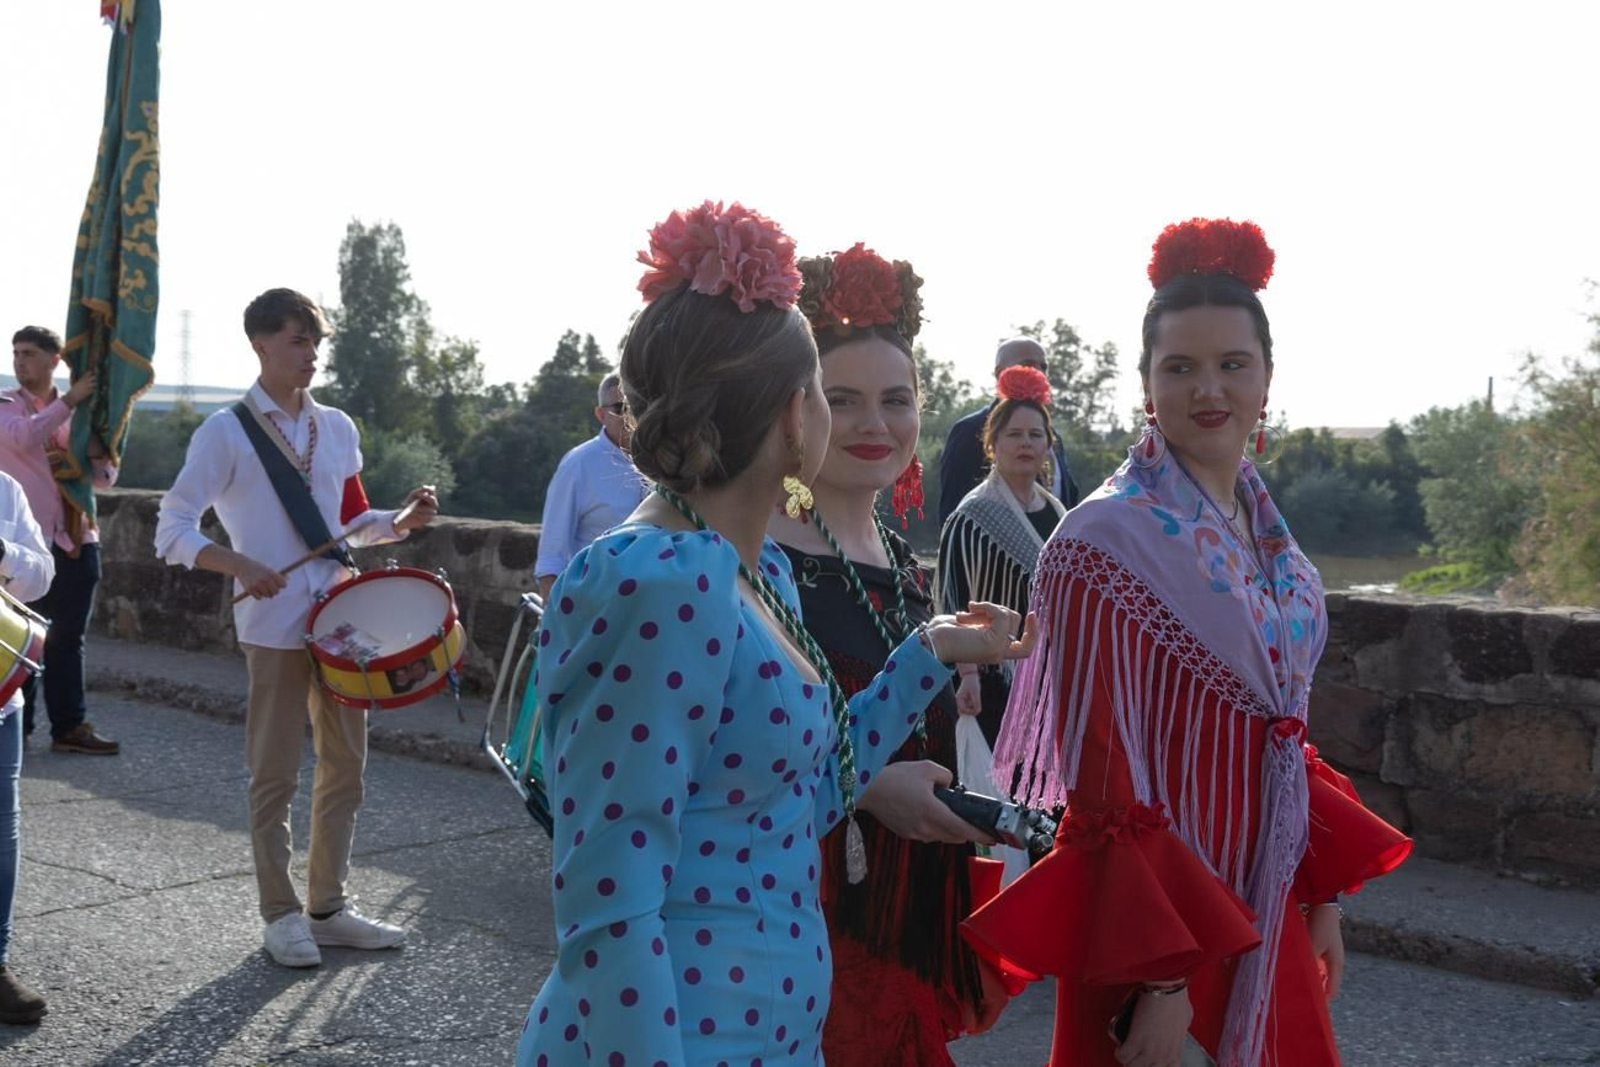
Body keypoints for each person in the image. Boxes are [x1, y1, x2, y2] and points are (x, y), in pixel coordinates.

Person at [515, 201, 1036, 1066]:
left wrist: (929, 650)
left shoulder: (752, 570)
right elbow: (611, 901)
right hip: (683, 1036)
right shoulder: (658, 580)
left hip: (767, 1030)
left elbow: (807, 795)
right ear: (797, 415)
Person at [963, 218, 1412, 1067]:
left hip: (1266, 895)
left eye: (1232, 364)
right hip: (1166, 923)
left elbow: (1282, 733)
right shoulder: (1105, 541)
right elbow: (1101, 776)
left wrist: (1321, 896)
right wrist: (1161, 982)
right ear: (1147, 386)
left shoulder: (1265, 528)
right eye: (1181, 367)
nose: (1210, 388)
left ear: (1268, 378)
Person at [771, 242, 1014, 1063]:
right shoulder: (759, 555)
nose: (875, 424)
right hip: (812, 927)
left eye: (896, 399)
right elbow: (713, 753)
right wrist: (869, 788)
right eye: (843, 398)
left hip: (902, 921)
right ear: (795, 408)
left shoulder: (892, 550)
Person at [154, 289, 438, 969]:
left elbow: (352, 524)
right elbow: (171, 527)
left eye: (315, 342)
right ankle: (279, 913)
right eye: (296, 341)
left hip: (342, 621)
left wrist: (401, 524)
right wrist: (238, 562)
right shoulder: (224, 432)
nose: (310, 355)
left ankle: (328, 907)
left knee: (347, 768)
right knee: (274, 772)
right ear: (259, 343)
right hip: (274, 624)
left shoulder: (337, 426)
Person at [1, 326, 119, 755]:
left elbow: (104, 480)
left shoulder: (80, 415)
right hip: (25, 544)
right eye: (16, 353)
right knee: (22, 634)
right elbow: (22, 437)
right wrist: (70, 400)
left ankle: (69, 727)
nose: (19, 361)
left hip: (76, 534)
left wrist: (101, 457)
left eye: (29, 353)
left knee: (69, 638)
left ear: (55, 360)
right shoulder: (6, 404)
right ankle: (18, 725)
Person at [937, 366, 1069, 748]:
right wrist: (968, 675)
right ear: (992, 443)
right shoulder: (973, 516)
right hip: (994, 677)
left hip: (1047, 676)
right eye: (1013, 434)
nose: (1025, 443)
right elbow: (957, 599)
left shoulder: (1057, 513)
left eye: (1035, 434)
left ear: (1048, 445)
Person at [0, 464, 55, 1024]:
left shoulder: (5, 489)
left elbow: (42, 574)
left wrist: (2, 554)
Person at [937, 337, 1078, 524]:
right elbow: (952, 513)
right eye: (1026, 365)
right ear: (999, 373)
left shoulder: (1051, 436)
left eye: (1043, 367)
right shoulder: (969, 430)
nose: (1038, 373)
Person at [534, 372, 647, 601]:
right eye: (620, 408)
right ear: (600, 414)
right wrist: (552, 624)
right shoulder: (578, 465)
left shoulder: (660, 462)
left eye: (636, 406)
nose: (631, 415)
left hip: (649, 602)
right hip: (594, 601)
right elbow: (552, 555)